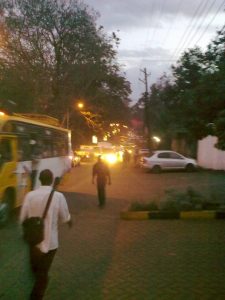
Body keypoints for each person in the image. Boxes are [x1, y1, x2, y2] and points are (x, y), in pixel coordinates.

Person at [20, 169, 72, 300]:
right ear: (51, 180)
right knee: (42, 273)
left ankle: (38, 289)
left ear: (39, 180)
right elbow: (65, 217)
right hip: (51, 243)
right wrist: (69, 220)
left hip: (34, 241)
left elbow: (22, 218)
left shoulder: (30, 195)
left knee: (37, 271)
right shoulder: (59, 196)